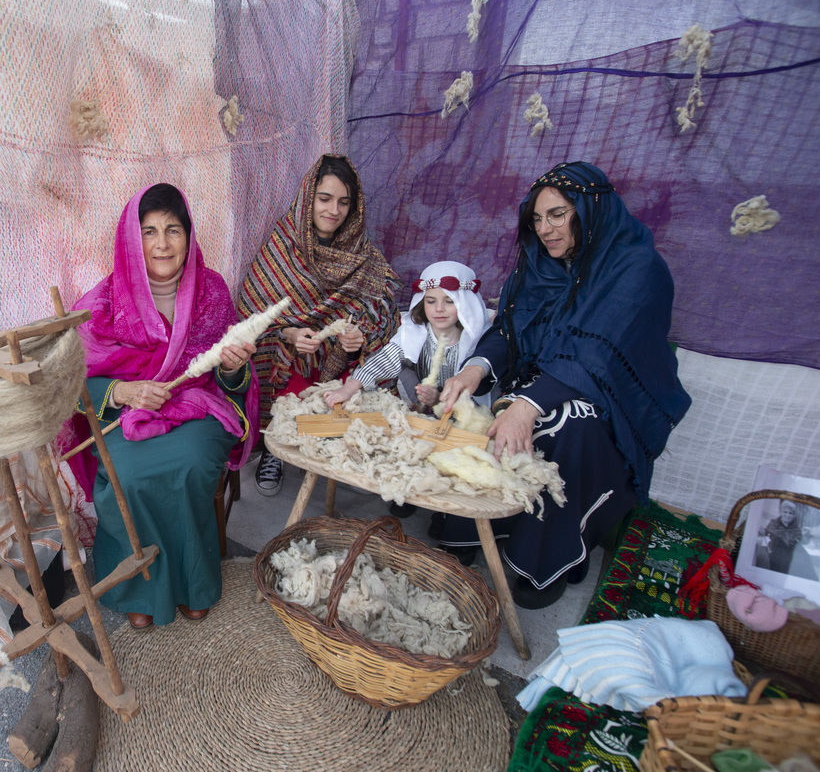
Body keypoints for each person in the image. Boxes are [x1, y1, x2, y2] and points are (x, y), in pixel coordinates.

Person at [437, 161, 691, 609]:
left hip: (613, 399)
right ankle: (472, 527)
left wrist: (528, 405)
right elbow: (510, 331)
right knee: (480, 417)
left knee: (565, 424)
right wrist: (474, 371)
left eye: (557, 214)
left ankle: (543, 560)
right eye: (536, 219)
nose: (545, 229)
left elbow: (602, 353)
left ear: (590, 209)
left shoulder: (637, 267)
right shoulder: (539, 266)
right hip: (543, 381)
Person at [63, 183, 258, 630]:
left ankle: (192, 582)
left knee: (190, 465)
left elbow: (231, 383)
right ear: (132, 239)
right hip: (125, 418)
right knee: (128, 475)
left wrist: (230, 368)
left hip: (199, 409)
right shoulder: (103, 303)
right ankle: (140, 585)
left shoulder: (211, 291)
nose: (163, 243)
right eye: (149, 231)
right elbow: (69, 382)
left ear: (189, 236)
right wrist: (123, 392)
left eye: (173, 229)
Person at [237, 154, 400, 495]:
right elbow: (254, 317)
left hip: (339, 363)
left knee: (372, 372)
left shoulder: (362, 254)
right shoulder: (283, 245)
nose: (334, 211)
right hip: (293, 361)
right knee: (274, 360)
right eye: (324, 199)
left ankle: (350, 447)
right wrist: (290, 333)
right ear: (308, 199)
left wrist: (360, 336)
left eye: (344, 202)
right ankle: (274, 445)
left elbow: (384, 312)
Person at [323, 260, 492, 521]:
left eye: (449, 301)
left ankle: (446, 513)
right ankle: (409, 488)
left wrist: (440, 400)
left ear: (465, 304)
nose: (439, 309)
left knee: (457, 459)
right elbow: (384, 360)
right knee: (406, 422)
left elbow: (479, 393)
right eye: (431, 301)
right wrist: (349, 388)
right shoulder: (416, 333)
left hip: (464, 414)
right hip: (423, 406)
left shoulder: (477, 340)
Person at [757, 500, 818, 579]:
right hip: (777, 548)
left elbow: (802, 540)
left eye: (790, 513)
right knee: (783, 561)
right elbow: (765, 533)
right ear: (781, 513)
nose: (787, 515)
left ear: (793, 515)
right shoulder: (774, 523)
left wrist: (806, 535)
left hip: (792, 549)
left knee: (804, 558)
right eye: (785, 512)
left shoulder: (796, 526)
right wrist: (762, 531)